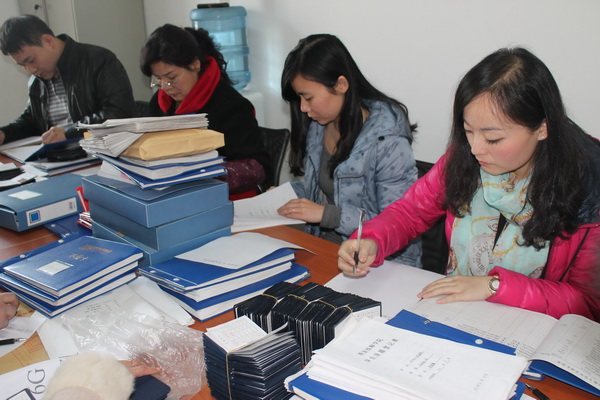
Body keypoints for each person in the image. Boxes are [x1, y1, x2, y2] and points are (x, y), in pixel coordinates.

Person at [338, 47, 600, 321]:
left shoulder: (589, 190)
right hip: (453, 314)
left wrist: (494, 286)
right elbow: (411, 213)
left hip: (530, 329)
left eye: (493, 139)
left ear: (542, 129)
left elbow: (588, 303)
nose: (476, 149)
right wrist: (372, 240)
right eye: (468, 131)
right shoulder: (464, 158)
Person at [278, 34, 421, 267]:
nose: (303, 108)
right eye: (299, 99)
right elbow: (326, 192)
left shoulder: (388, 141)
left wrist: (327, 215)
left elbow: (397, 223)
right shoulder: (319, 127)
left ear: (341, 85)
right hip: (328, 248)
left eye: (308, 98)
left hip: (378, 262)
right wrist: (286, 194)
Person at [140, 24, 270, 195]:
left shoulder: (231, 106)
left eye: (172, 77)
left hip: (223, 197)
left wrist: (199, 172)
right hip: (173, 193)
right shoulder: (159, 103)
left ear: (195, 64)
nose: (165, 87)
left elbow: (258, 168)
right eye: (158, 79)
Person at [0, 14, 135, 144]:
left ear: (48, 41)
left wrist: (69, 132)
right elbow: (33, 121)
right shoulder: (36, 81)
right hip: (58, 156)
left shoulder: (99, 60)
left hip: (99, 153)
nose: (31, 70)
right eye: (23, 65)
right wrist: (5, 134)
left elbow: (119, 113)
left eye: (30, 60)